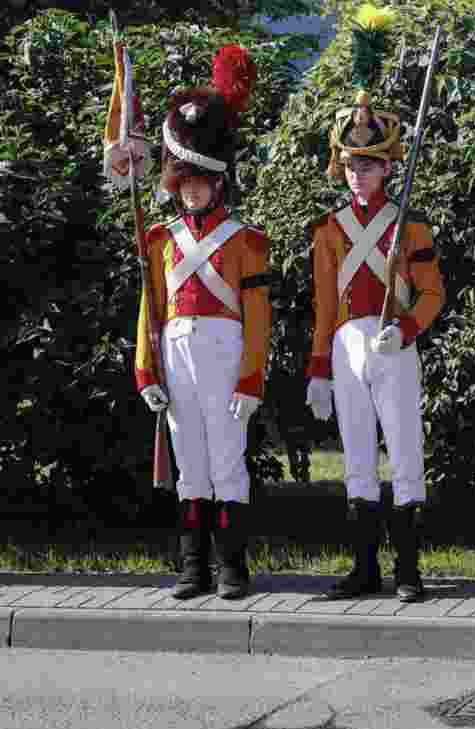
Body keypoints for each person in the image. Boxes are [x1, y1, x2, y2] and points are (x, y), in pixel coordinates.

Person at [305, 4, 444, 604]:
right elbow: (322, 306)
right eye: (352, 165)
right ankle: (364, 568)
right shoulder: (328, 230)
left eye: (370, 165)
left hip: (394, 342)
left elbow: (434, 292)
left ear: (389, 167)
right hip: (345, 344)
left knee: (405, 451)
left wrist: (409, 328)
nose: (359, 175)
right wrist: (316, 369)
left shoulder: (410, 226)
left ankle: (408, 570)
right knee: (357, 456)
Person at [135, 46, 271, 600]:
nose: (191, 189)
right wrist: (146, 373)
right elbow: (151, 310)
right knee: (189, 460)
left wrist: (251, 378)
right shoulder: (161, 240)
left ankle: (232, 568)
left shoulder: (246, 241)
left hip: (225, 350)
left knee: (226, 459)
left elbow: (258, 317)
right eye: (183, 182)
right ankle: (193, 568)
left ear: (218, 183)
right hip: (175, 350)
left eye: (200, 182)